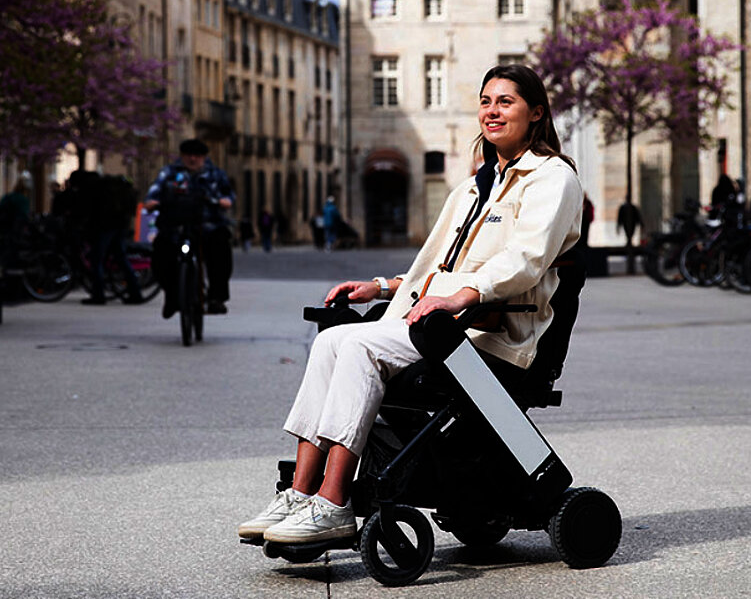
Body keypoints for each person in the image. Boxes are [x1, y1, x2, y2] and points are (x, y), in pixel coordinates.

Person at [237, 65, 583, 544]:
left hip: (496, 337)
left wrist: (463, 295)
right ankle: (301, 492)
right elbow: (438, 266)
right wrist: (382, 287)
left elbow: (525, 260)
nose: (492, 111)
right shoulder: (473, 188)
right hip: (443, 327)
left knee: (360, 347)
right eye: (485, 101)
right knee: (333, 340)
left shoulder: (552, 179)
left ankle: (334, 503)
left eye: (506, 102)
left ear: (537, 112)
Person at [143, 139, 235, 318]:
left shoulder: (215, 174)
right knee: (161, 254)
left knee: (221, 249)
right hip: (175, 227)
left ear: (204, 157)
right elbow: (155, 192)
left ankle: (217, 297)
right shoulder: (169, 173)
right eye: (188, 155)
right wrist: (152, 202)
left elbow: (228, 194)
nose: (192, 159)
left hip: (208, 226)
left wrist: (225, 201)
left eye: (197, 156)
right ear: (182, 156)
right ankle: (172, 297)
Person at [80, 173, 145, 305]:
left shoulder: (98, 190)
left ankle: (98, 294)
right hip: (120, 226)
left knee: (97, 260)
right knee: (122, 259)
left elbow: (94, 211)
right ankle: (135, 293)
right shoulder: (119, 189)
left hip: (105, 227)